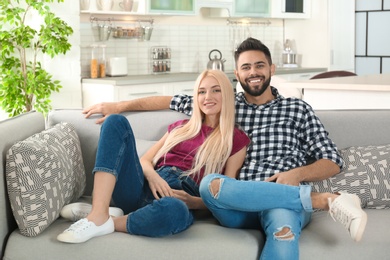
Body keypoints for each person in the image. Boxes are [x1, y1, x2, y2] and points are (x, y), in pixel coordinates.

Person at [82, 38, 367, 259]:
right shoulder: (225, 102)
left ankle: (323, 199)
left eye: (259, 65)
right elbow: (170, 100)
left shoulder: (297, 109)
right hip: (235, 200)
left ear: (272, 69)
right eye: (246, 67)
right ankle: (324, 200)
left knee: (283, 233)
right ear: (237, 74)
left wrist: (296, 174)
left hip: (283, 199)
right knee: (211, 184)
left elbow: (333, 160)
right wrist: (117, 105)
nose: (253, 72)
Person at [57, 69, 251, 243]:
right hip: (142, 186)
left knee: (176, 212)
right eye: (201, 91)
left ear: (226, 94)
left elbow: (225, 195)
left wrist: (195, 202)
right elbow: (145, 160)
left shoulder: (235, 140)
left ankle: (109, 221)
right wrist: (153, 176)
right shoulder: (181, 127)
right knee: (115, 121)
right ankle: (98, 213)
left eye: (215, 90)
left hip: (178, 199)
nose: (207, 97)